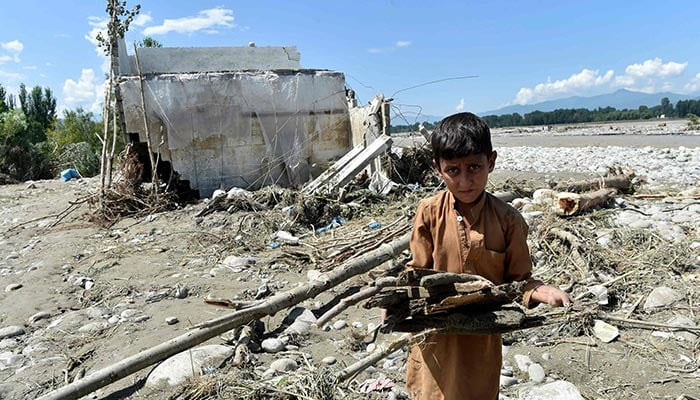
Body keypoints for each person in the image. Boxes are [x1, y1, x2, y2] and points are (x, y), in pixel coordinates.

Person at [403, 112, 571, 400]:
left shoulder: (508, 220)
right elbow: (416, 273)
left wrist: (541, 291)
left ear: (491, 162)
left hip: (481, 339)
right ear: (437, 169)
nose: (465, 180)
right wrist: (395, 299)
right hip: (435, 337)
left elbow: (519, 282)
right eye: (453, 170)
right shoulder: (429, 212)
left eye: (474, 167)